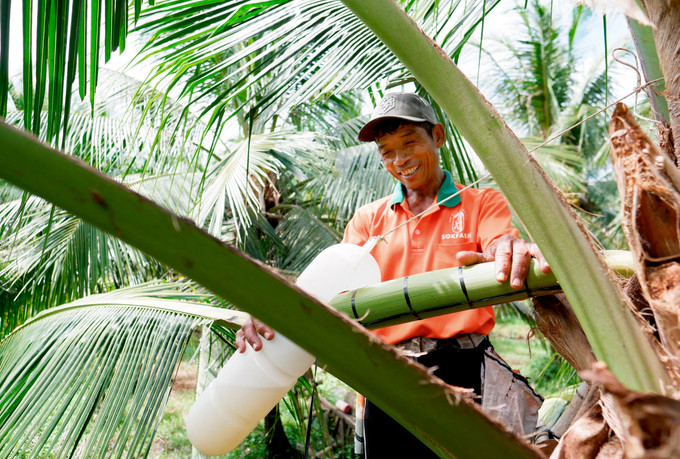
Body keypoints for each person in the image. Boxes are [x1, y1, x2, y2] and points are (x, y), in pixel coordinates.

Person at [236, 92, 550, 457]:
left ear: (438, 136)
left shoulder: (481, 204)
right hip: (387, 376)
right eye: (386, 151)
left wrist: (505, 249)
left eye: (410, 143)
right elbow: (329, 288)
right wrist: (275, 312)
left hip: (463, 370)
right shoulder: (368, 220)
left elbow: (499, 243)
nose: (399, 160)